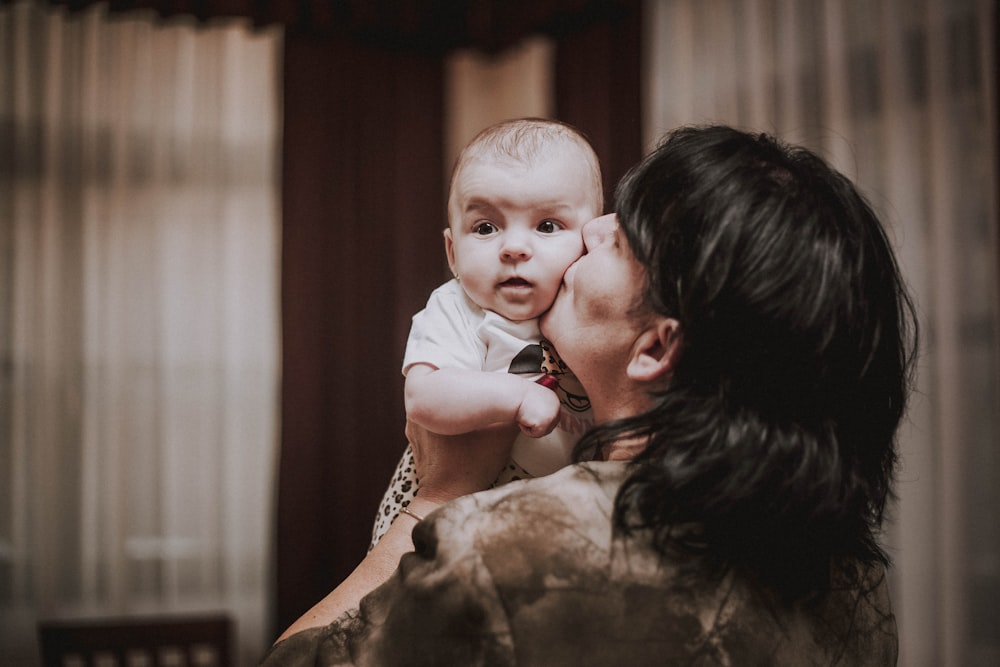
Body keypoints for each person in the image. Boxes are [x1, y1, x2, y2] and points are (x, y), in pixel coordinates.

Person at [263, 125, 916, 665]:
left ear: (657, 348)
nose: (595, 229)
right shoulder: (852, 575)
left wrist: (438, 494)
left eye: (623, 238)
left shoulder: (509, 552)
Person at [369, 118, 601, 547]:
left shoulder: (590, 307)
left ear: (591, 242)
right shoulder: (458, 307)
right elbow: (423, 396)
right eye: (485, 228)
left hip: (550, 506)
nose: (514, 248)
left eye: (547, 226)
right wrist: (517, 396)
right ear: (453, 253)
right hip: (451, 500)